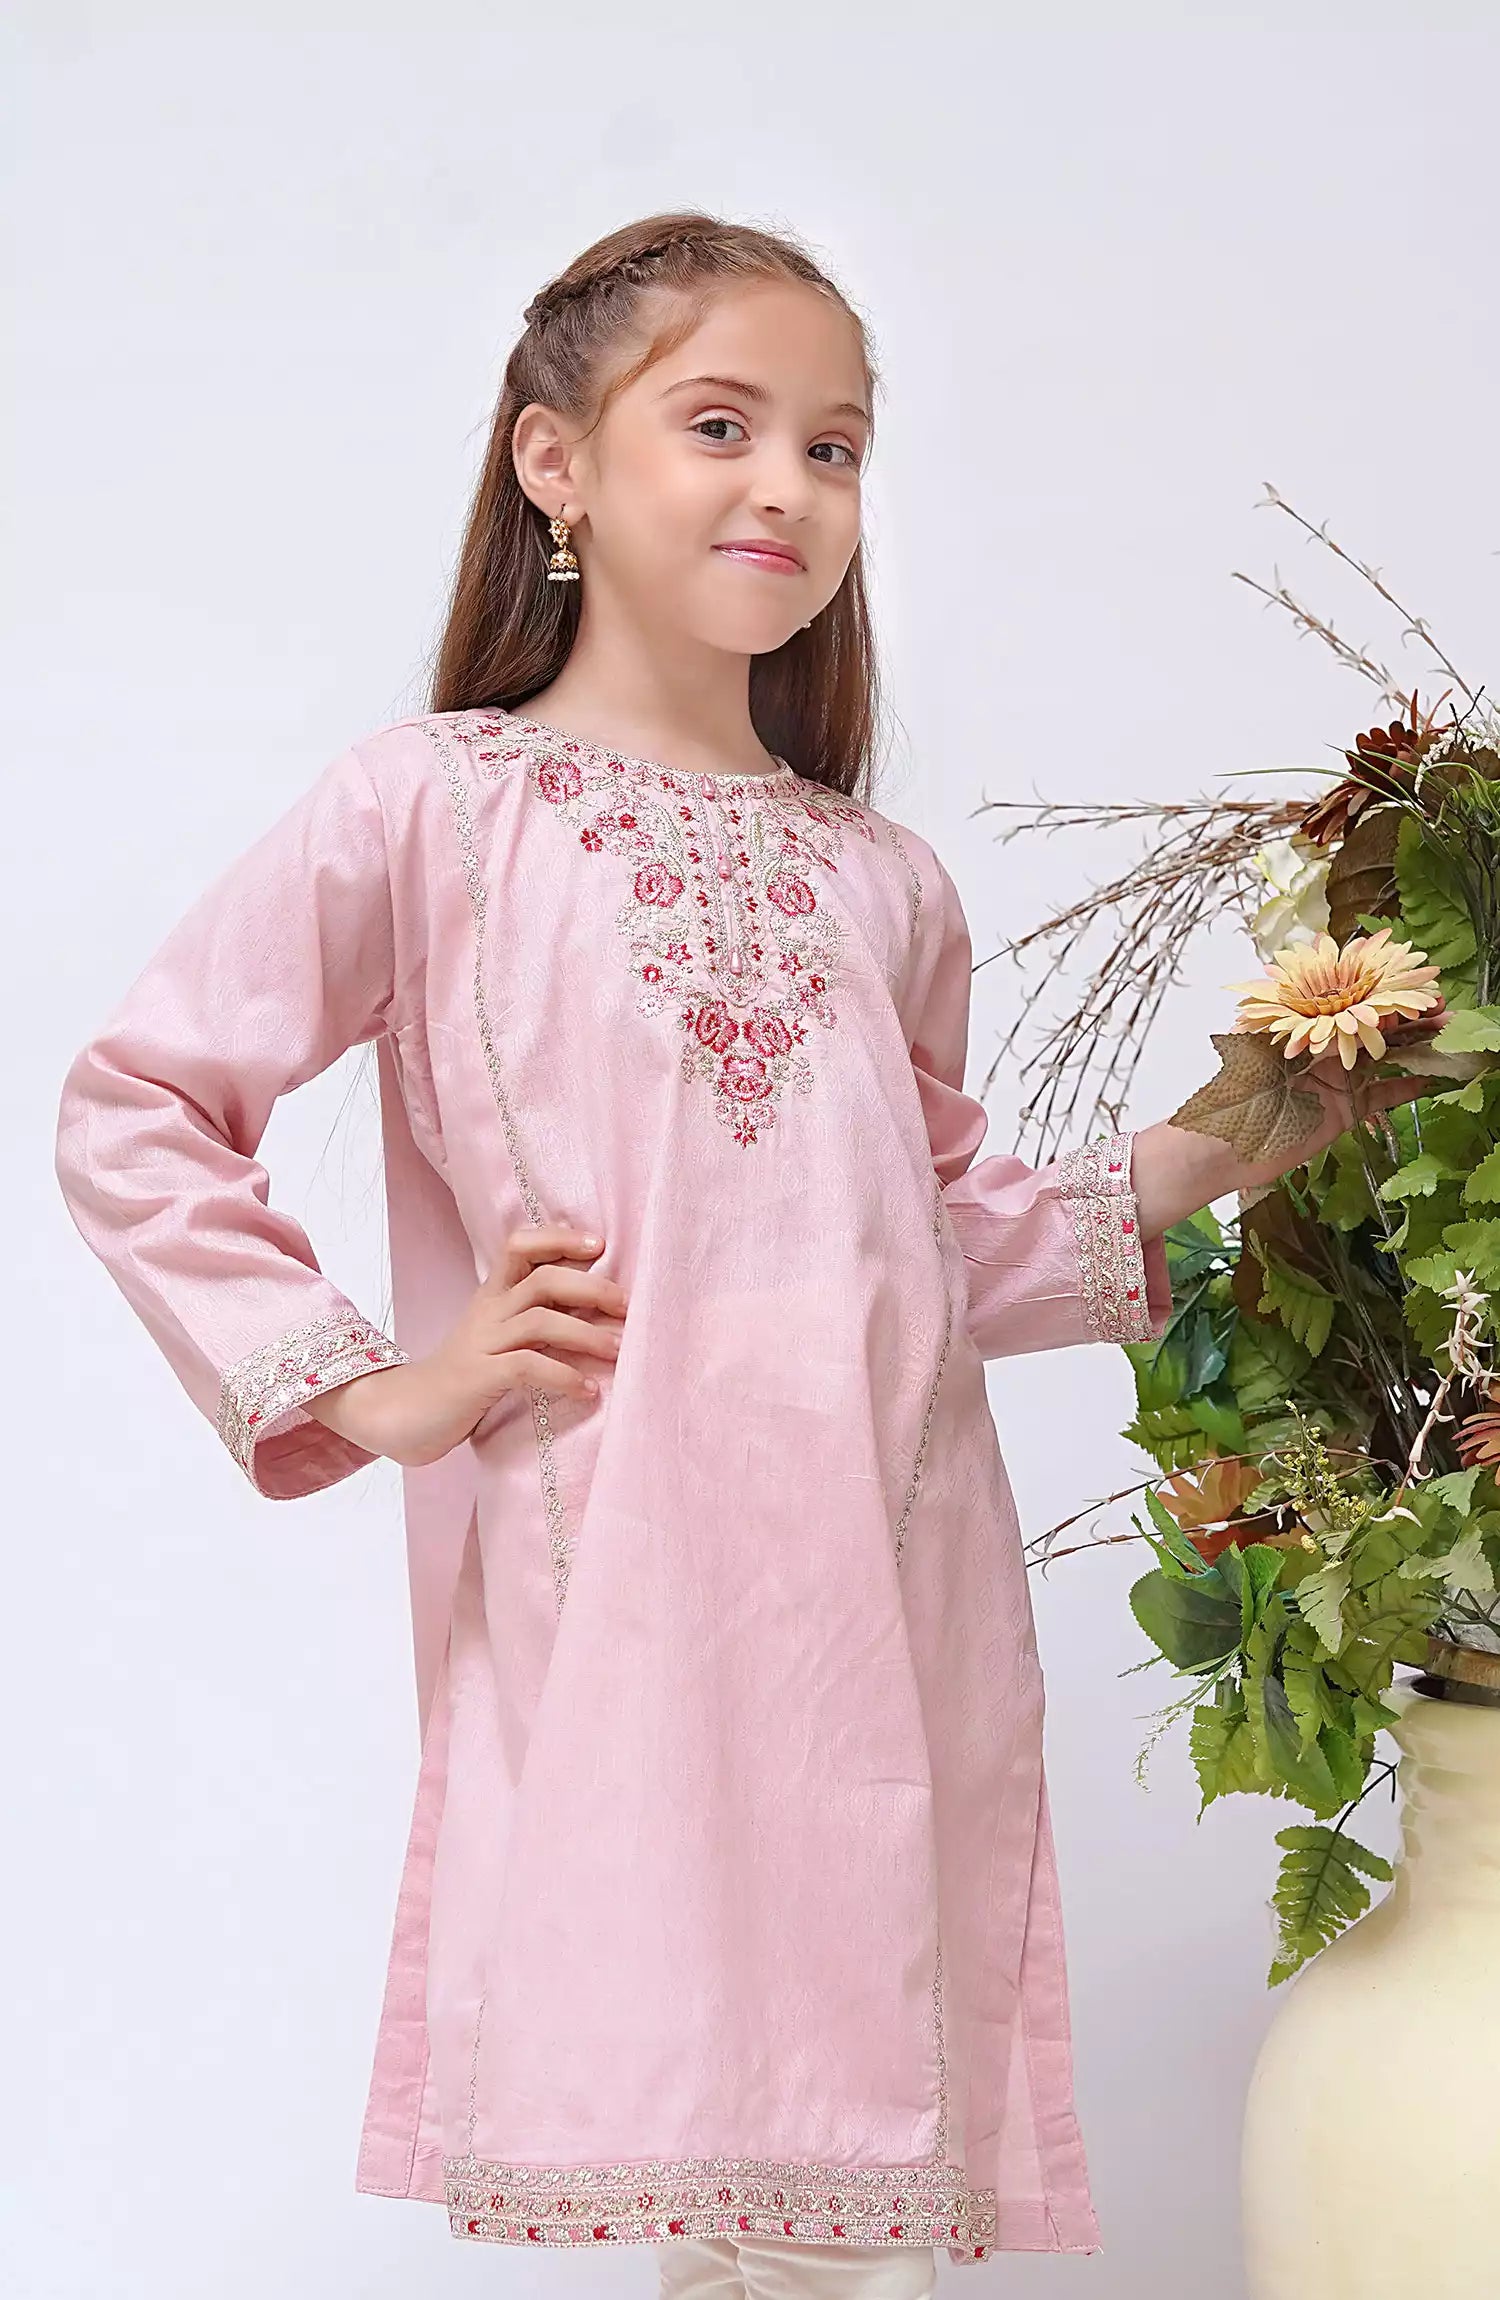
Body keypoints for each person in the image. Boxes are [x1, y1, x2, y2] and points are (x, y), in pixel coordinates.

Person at [52, 211, 1425, 2297]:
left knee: (832, 2199)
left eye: (836, 446)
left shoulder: (886, 880)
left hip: (880, 1587)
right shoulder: (435, 808)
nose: (788, 483)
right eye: (722, 424)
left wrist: (1250, 1124)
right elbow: (139, 1098)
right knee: (726, 2166)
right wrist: (370, 1385)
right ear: (556, 465)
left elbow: (929, 1250)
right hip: (619, 1565)